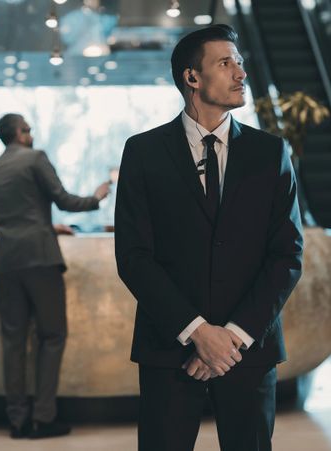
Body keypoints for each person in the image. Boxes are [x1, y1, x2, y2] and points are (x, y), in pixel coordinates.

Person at [114, 24, 303, 451]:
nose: (240, 73)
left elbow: (287, 255)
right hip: (170, 349)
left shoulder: (271, 152)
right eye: (225, 63)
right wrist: (198, 332)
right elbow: (134, 256)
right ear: (192, 78)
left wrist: (230, 336)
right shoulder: (142, 152)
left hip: (248, 351)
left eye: (240, 62)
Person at [0, 113, 110, 439]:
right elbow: (64, 199)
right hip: (39, 259)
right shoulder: (35, 157)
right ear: (21, 133)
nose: (32, 133)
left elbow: (3, 218)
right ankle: (44, 418)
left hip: (4, 262)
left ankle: (17, 421)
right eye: (29, 128)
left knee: (13, 344)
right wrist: (97, 198)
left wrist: (42, 223)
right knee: (51, 337)